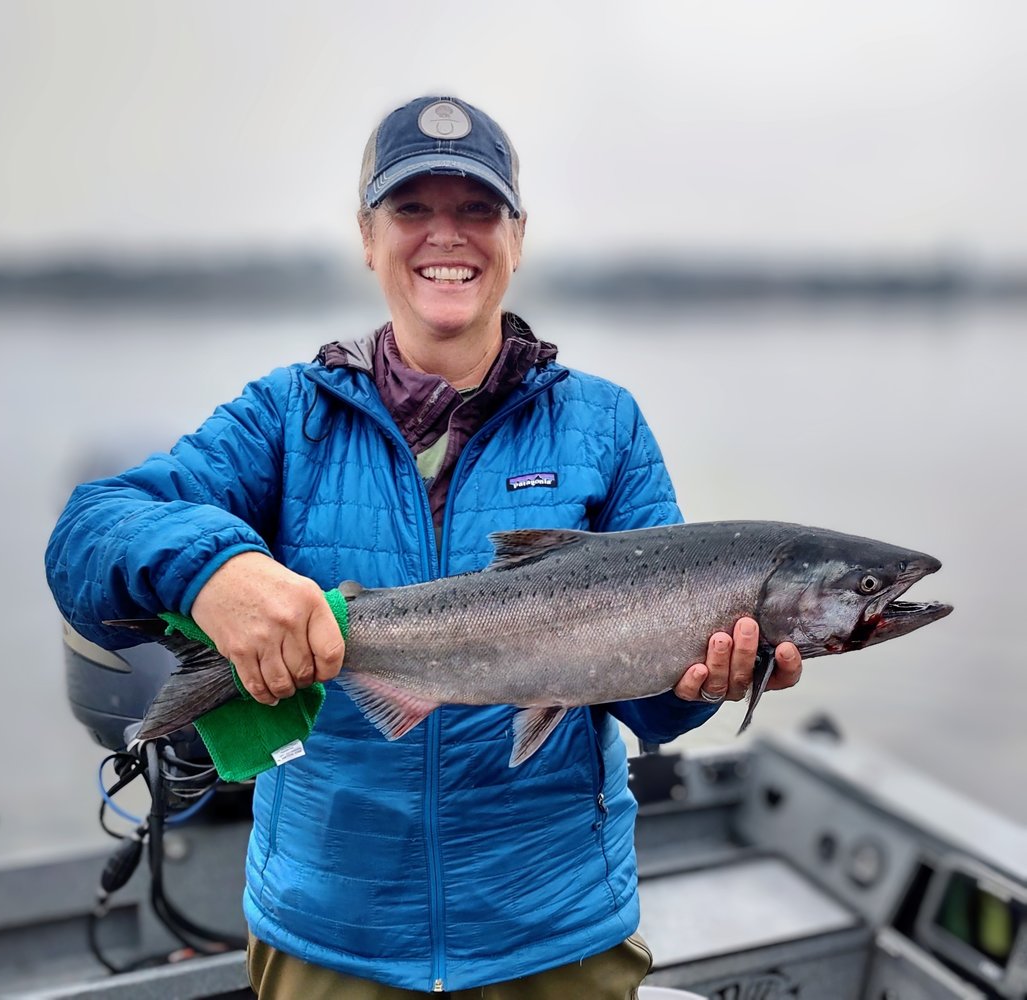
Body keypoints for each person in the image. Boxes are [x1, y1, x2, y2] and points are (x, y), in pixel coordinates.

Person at [45, 95, 802, 998]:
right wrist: (215, 572)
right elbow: (92, 528)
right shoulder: (288, 417)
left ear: (517, 236)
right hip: (330, 936)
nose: (447, 236)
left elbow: (652, 717)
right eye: (412, 209)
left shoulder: (605, 425)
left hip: (554, 935)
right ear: (367, 236)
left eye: (477, 210)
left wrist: (701, 683)